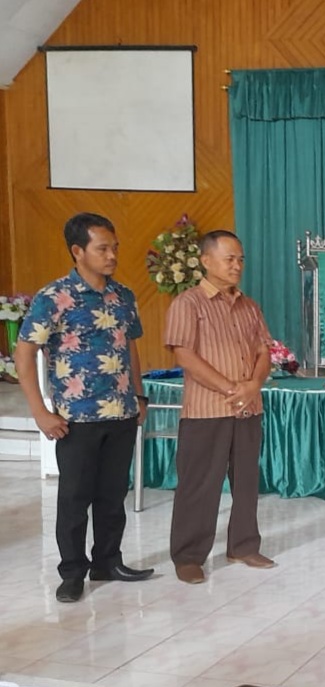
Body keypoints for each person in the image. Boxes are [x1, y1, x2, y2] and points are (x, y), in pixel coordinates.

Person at [14, 212, 154, 603]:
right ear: (78, 251)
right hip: (75, 418)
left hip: (121, 412)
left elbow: (130, 347)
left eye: (115, 248)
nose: (112, 256)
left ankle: (108, 561)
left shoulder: (124, 296)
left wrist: (139, 395)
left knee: (113, 495)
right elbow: (24, 353)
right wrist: (40, 411)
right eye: (102, 249)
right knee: (75, 499)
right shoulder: (53, 297)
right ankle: (72, 572)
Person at [164, 230, 275, 584]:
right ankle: (188, 556)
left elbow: (264, 351)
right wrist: (230, 388)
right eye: (229, 259)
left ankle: (243, 545)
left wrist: (253, 385)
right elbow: (184, 355)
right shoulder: (188, 304)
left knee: (246, 481)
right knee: (200, 484)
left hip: (248, 408)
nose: (237, 265)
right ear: (206, 261)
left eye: (240, 259)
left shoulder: (250, 306)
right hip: (206, 410)